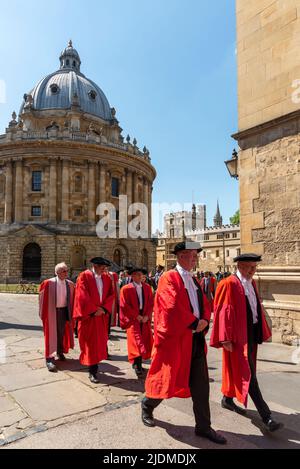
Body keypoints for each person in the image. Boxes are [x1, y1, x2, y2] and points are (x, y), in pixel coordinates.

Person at [142, 241, 227, 445]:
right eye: (191, 255)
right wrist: (194, 322)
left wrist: (205, 320)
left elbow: (204, 302)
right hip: (178, 338)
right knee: (168, 379)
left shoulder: (194, 279)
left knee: (201, 385)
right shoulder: (168, 277)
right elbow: (170, 306)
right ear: (180, 256)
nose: (194, 259)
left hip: (195, 339)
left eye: (195, 256)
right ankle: (147, 404)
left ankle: (203, 427)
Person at [210, 253, 283, 432]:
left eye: (254, 267)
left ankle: (227, 399)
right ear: (241, 266)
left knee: (239, 368)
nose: (254, 270)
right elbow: (223, 310)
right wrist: (225, 337)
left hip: (250, 334)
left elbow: (254, 307)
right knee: (247, 373)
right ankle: (267, 418)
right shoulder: (228, 283)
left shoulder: (251, 283)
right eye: (251, 267)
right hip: (236, 337)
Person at [73, 257, 114, 383]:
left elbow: (111, 295)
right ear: (95, 266)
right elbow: (81, 295)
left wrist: (103, 309)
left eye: (105, 268)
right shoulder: (84, 276)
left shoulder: (106, 278)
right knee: (90, 344)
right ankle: (92, 371)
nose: (104, 270)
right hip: (89, 317)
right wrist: (93, 310)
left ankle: (94, 367)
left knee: (99, 343)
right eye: (102, 267)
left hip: (101, 316)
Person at [39, 262, 75, 372]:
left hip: (65, 311)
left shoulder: (70, 284)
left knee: (62, 333)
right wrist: (43, 314)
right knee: (51, 335)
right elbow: (42, 300)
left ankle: (59, 352)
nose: (66, 273)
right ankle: (49, 358)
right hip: (52, 312)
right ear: (57, 272)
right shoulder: (48, 283)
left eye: (67, 270)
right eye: (64, 271)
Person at [119, 267, 154, 377]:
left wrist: (147, 316)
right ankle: (137, 365)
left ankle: (136, 363)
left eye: (141, 275)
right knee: (136, 341)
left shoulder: (147, 288)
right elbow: (124, 305)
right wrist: (136, 316)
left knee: (143, 340)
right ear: (132, 276)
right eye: (137, 275)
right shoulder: (126, 289)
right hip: (133, 319)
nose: (140, 277)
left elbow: (150, 303)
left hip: (144, 318)